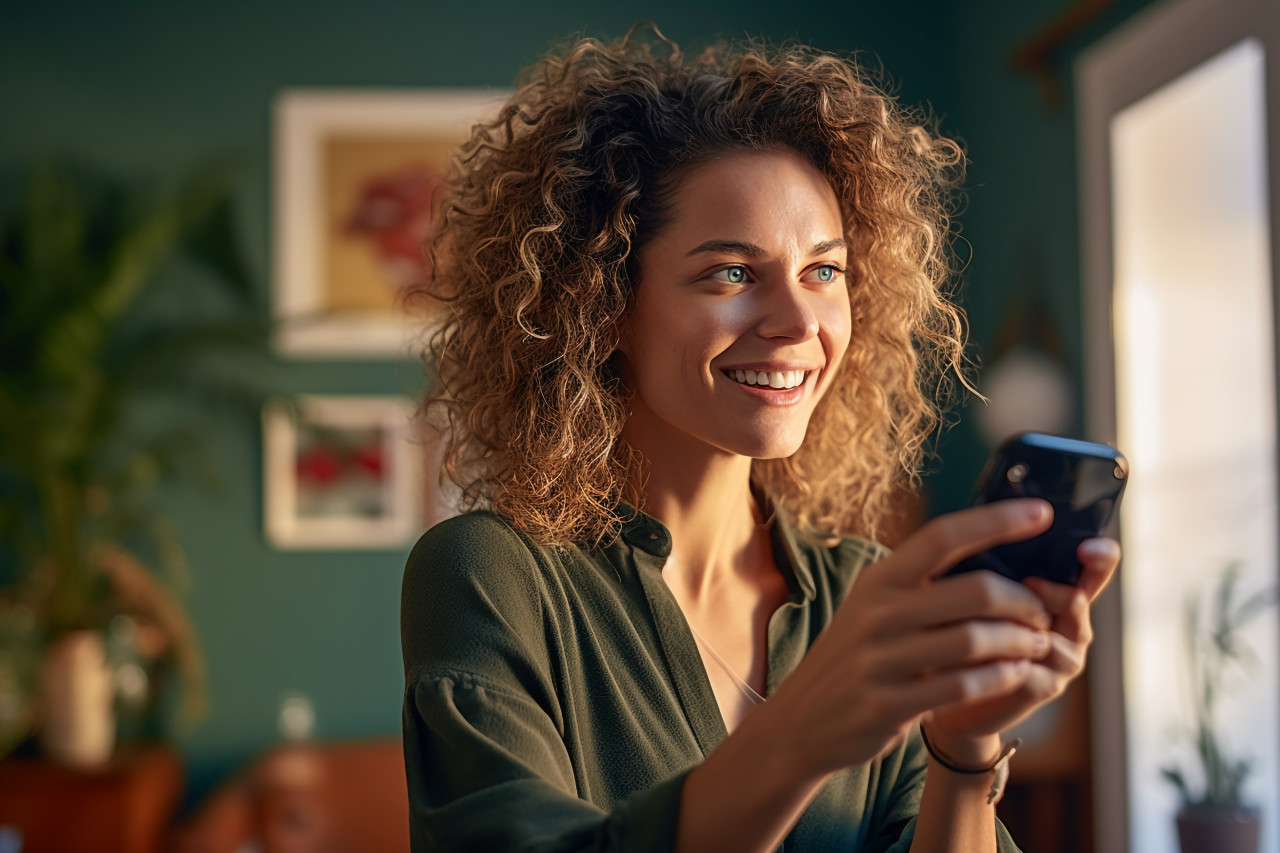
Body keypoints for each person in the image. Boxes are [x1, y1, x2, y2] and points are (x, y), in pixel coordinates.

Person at [400, 28, 1120, 852]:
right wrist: (808, 732)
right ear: (601, 306)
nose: (797, 322)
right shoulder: (491, 575)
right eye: (732, 273)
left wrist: (962, 747)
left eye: (824, 271)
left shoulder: (866, 591)